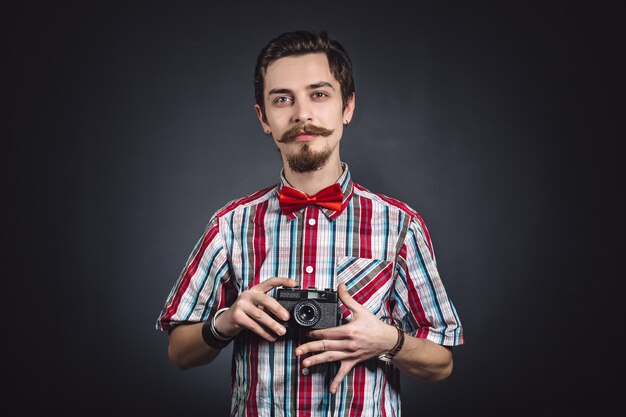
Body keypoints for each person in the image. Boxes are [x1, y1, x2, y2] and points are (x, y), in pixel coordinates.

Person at [156, 30, 464, 416]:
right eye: (282, 99)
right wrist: (228, 321)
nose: (302, 114)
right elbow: (179, 352)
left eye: (319, 94)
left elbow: (442, 363)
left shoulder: (401, 225)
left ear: (347, 107)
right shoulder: (229, 225)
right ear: (263, 118)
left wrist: (387, 341)